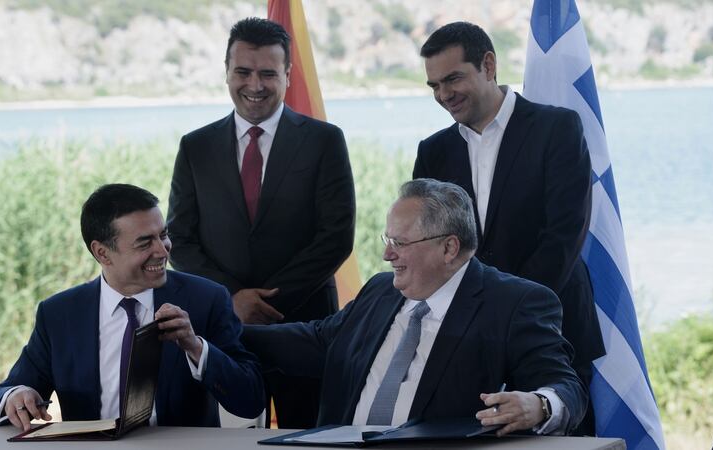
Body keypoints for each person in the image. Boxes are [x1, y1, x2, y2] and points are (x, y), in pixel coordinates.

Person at [243, 179, 588, 435]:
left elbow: (566, 387)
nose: (386, 254)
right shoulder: (380, 290)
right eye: (387, 240)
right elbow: (317, 341)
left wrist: (539, 405)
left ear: (449, 248)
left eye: (400, 243)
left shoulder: (514, 304)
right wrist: (217, 330)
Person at [412, 21, 604, 434]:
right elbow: (427, 245)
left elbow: (564, 237)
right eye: (434, 86)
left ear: (488, 64)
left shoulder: (559, 129)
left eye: (452, 79)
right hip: (465, 343)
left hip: (554, 332)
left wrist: (504, 312)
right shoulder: (433, 151)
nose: (444, 95)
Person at [166, 17, 355, 428]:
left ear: (288, 74)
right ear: (227, 72)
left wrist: (265, 303)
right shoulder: (195, 146)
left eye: (268, 73)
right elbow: (179, 238)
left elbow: (336, 237)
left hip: (304, 326)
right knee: (225, 435)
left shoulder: (325, 141)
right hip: (220, 329)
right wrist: (231, 300)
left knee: (308, 434)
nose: (255, 85)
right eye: (243, 72)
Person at [0, 184, 264, 431]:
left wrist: (196, 347)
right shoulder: (59, 313)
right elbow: (2, 395)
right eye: (145, 243)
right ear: (102, 253)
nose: (163, 250)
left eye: (163, 235)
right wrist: (16, 397)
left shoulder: (206, 298)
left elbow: (250, 399)